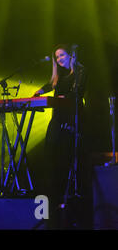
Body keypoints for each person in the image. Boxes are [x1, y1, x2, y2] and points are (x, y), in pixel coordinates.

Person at [33, 44, 86, 229]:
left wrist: (66, 98)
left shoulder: (79, 71)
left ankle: (70, 199)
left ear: (70, 55)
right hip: (57, 120)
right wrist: (39, 92)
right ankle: (53, 200)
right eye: (56, 57)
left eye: (61, 55)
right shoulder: (59, 75)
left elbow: (77, 93)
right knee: (51, 156)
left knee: (66, 157)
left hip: (71, 120)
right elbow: (50, 85)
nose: (59, 59)